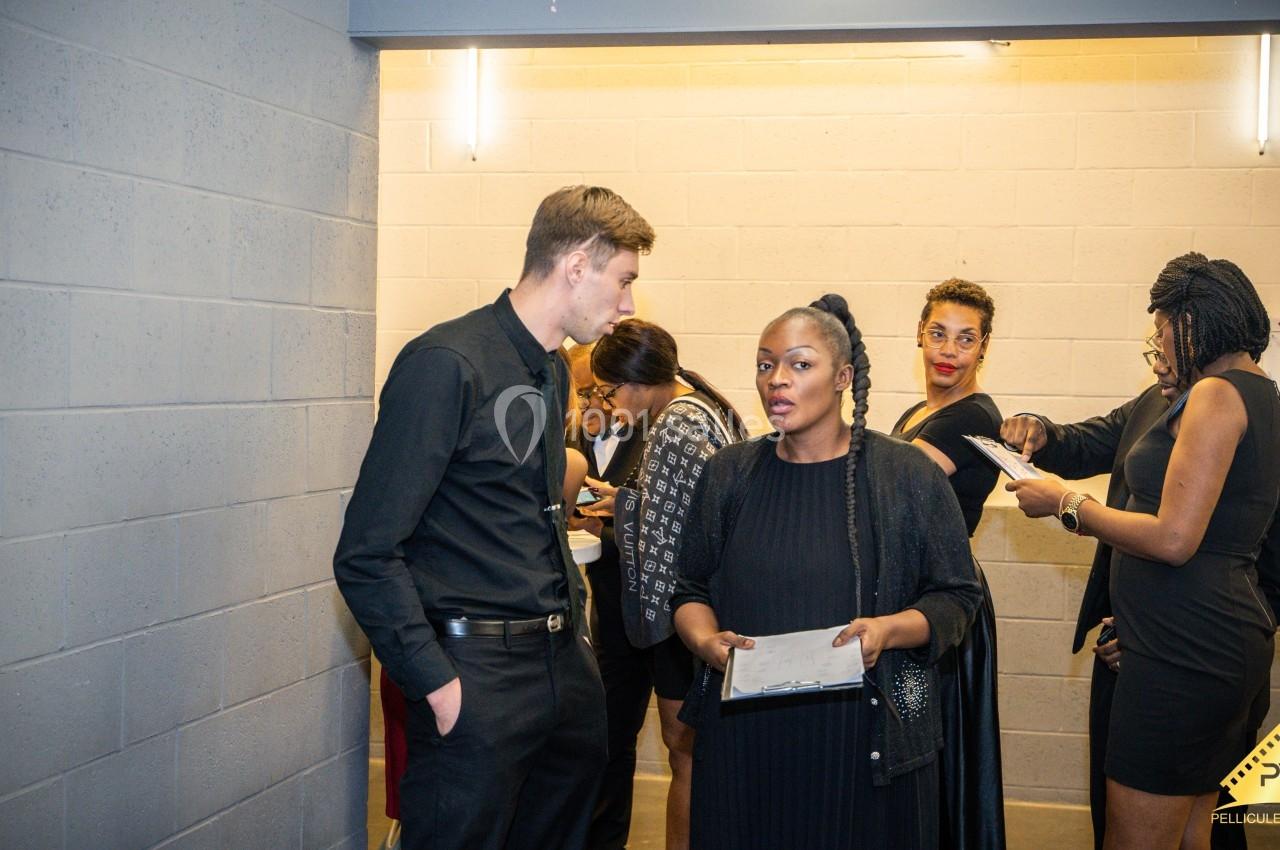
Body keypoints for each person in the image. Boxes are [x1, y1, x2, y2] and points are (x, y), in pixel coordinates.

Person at [333, 185, 655, 850]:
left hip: (560, 665)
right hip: (474, 675)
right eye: (623, 281)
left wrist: (575, 659)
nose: (628, 305)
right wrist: (439, 686)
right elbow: (366, 552)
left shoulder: (552, 371)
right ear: (575, 266)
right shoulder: (446, 364)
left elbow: (531, 518)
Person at [672, 294, 981, 850]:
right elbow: (689, 588)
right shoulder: (729, 476)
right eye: (766, 364)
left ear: (843, 377)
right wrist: (705, 640)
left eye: (799, 364)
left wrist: (888, 631)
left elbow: (956, 597)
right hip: (747, 739)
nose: (777, 381)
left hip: (864, 738)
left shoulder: (905, 476)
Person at [1005, 253, 1279, 850]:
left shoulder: (1215, 395)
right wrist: (1042, 433)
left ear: (1193, 323)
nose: (1159, 351)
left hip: (1184, 654)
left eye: (1162, 335)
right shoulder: (1260, 395)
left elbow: (1175, 540)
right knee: (1191, 837)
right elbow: (1102, 439)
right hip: (1208, 647)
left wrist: (1066, 506)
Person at [581, 319, 747, 850]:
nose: (609, 404)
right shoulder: (701, 404)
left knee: (685, 747)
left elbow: (684, 532)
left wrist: (623, 514)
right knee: (690, 748)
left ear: (635, 382)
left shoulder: (673, 425)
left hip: (683, 609)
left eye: (608, 391)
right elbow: (680, 508)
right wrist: (624, 504)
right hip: (703, 601)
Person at [890, 279, 1005, 850]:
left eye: (965, 339)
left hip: (943, 603)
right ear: (919, 334)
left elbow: (891, 486)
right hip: (911, 597)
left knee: (931, 752)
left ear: (983, 348)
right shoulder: (920, 411)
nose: (948, 350)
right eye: (938, 333)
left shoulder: (974, 415)